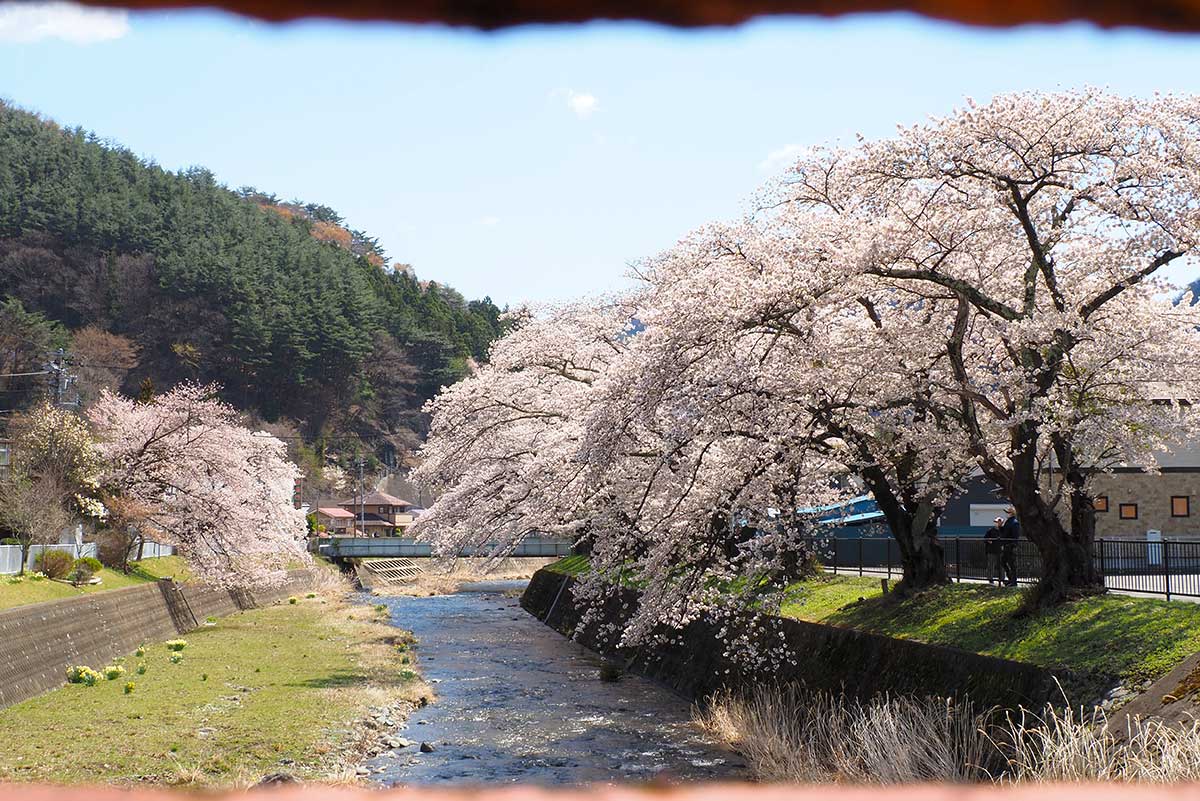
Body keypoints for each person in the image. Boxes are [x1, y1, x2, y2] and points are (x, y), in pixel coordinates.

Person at [1000, 506, 1020, 587]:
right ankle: (1010, 579)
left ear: (1011, 513)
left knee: (1012, 565)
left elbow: (1015, 536)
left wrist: (1012, 545)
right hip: (1006, 546)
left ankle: (1014, 581)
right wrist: (1000, 526)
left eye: (1007, 512)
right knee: (1003, 562)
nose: (1006, 514)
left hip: (1010, 546)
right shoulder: (1008, 521)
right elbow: (1004, 533)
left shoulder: (1014, 523)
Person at [984, 516, 1005, 585]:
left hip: (1001, 551)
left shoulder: (1003, 530)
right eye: (996, 522)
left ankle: (1002, 579)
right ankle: (990, 579)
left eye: (999, 522)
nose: (998, 523)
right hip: (991, 551)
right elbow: (985, 539)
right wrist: (988, 541)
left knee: (1002, 566)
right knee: (991, 565)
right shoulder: (990, 530)